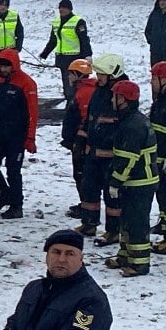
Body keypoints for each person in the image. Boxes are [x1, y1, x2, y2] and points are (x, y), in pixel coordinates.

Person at [105, 80, 158, 277]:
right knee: (126, 220)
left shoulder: (132, 125)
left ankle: (139, 264)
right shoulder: (130, 120)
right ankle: (125, 255)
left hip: (139, 182)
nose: (112, 100)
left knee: (137, 222)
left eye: (115, 96)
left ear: (124, 100)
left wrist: (115, 182)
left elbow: (127, 159)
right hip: (136, 181)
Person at [76, 54, 127, 245]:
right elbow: (90, 117)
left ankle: (113, 231)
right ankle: (89, 222)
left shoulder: (122, 93)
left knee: (111, 195)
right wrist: (81, 138)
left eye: (102, 74)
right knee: (89, 188)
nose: (98, 77)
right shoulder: (99, 91)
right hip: (93, 152)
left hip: (110, 155)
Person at [0, 49, 38, 220]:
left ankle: (16, 205)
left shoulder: (27, 83)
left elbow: (33, 112)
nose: (4, 69)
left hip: (16, 136)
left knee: (13, 171)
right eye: (2, 65)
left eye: (7, 66)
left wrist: (30, 138)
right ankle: (4, 193)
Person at [61, 59, 97, 220]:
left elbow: (83, 118)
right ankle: (86, 204)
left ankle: (87, 205)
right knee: (82, 175)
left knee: (82, 175)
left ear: (77, 75)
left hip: (82, 142)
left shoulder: (84, 93)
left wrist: (79, 139)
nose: (68, 77)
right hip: (79, 141)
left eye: (70, 73)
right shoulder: (84, 89)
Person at [39, 0, 92, 101]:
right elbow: (53, 40)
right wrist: (45, 53)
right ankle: (70, 102)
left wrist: (88, 55)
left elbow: (84, 40)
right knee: (67, 85)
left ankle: (79, 102)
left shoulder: (78, 21)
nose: (61, 10)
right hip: (62, 58)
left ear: (70, 9)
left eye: (64, 8)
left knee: (77, 84)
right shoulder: (56, 22)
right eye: (60, 7)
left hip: (76, 59)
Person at [149, 61, 166, 255]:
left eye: (154, 78)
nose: (151, 82)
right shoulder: (162, 99)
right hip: (160, 158)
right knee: (164, 199)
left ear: (164, 79)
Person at [144, 0, 166, 65]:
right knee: (155, 72)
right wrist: (152, 40)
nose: (162, 3)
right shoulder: (154, 14)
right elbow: (148, 30)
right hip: (156, 51)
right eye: (160, 0)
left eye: (164, 0)